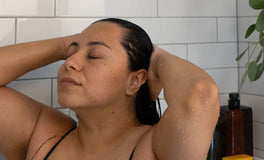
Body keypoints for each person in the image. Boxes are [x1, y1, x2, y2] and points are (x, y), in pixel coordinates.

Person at [0, 18, 220, 160]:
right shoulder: (44, 136)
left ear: (134, 81)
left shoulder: (153, 148)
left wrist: (158, 58)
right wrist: (63, 44)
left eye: (94, 55)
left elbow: (200, 95)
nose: (69, 63)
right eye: (70, 54)